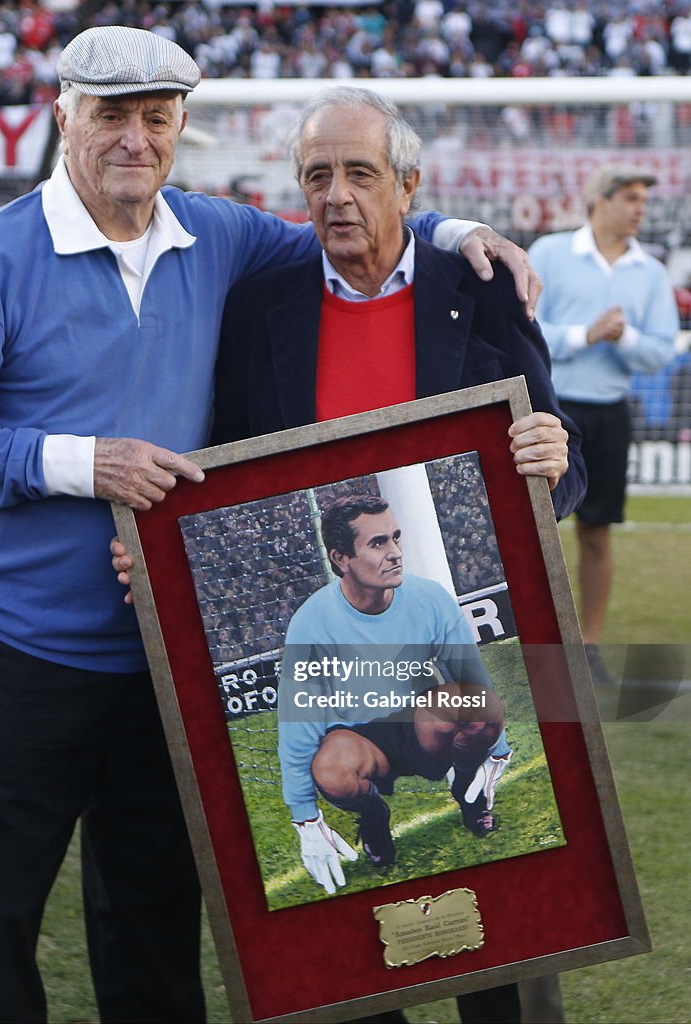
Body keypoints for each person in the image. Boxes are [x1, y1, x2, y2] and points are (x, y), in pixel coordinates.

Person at [0, 28, 540, 1024]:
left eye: (156, 117)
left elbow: (354, 217)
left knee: (152, 923)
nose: (134, 139)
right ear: (62, 113)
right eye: (111, 114)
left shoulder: (218, 234)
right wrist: (79, 461)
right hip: (16, 647)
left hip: (165, 653)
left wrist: (455, 233)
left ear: (181, 125)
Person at [115, 86, 582, 1024]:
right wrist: (158, 560)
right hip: (336, 664)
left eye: (360, 174)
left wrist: (555, 458)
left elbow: (553, 456)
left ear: (408, 186)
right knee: (352, 967)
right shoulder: (261, 305)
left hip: (441, 636)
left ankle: (474, 796)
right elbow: (219, 475)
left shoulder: (480, 288)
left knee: (515, 947)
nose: (336, 194)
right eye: (316, 175)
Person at [278, 493, 510, 888]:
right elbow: (298, 723)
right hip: (359, 738)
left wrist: (495, 751)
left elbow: (473, 682)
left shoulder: (430, 598)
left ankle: (468, 790)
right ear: (341, 558)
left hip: (422, 725)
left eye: (396, 538)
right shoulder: (311, 625)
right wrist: (305, 817)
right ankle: (373, 817)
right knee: (332, 771)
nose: (396, 552)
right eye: (378, 543)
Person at [528, 164, 678, 685]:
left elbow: (661, 350)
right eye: (631, 198)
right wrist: (583, 335)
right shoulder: (549, 252)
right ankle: (536, 651)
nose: (640, 208)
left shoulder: (650, 272)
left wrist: (624, 339)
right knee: (529, 533)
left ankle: (588, 649)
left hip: (610, 413)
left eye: (644, 199)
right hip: (548, 410)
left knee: (597, 533)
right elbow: (525, 324)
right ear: (599, 201)